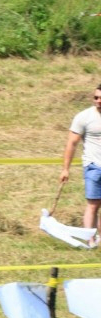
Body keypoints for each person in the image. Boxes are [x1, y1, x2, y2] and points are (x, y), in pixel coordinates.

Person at [59, 84, 101, 249]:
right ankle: (89, 241)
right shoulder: (84, 117)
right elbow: (72, 143)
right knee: (93, 204)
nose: (98, 101)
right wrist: (65, 169)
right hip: (93, 166)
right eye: (96, 97)